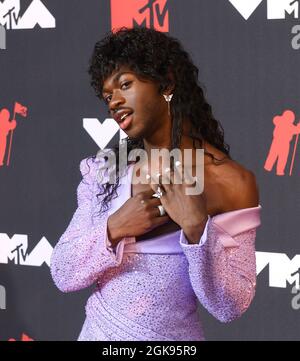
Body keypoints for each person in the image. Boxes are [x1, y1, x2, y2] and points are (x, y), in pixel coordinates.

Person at [50, 27, 262, 341]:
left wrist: (196, 228)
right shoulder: (107, 172)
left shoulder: (230, 181)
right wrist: (115, 227)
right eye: (108, 95)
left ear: (166, 82)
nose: (114, 102)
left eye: (125, 84)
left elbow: (230, 307)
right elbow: (63, 273)